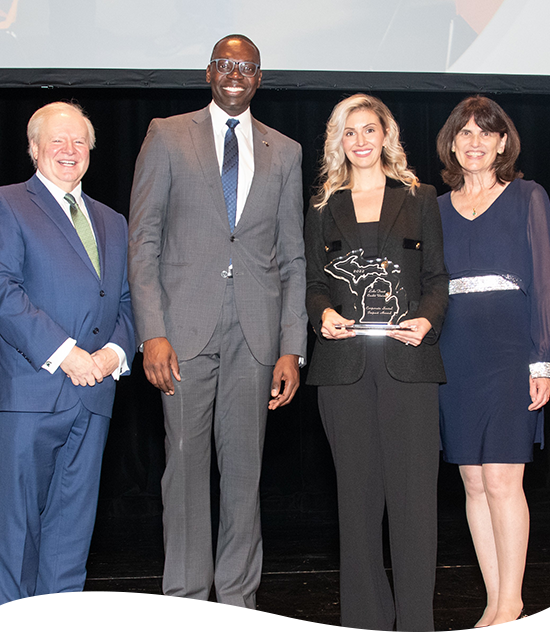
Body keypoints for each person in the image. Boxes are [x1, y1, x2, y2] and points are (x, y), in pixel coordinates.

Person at [128, 34, 307, 632]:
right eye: (226, 64)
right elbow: (144, 239)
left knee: (244, 473)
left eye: (247, 67)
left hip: (256, 336)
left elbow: (292, 259)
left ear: (260, 78)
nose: (236, 74)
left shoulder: (284, 151)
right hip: (182, 334)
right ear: (209, 72)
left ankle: (237, 606)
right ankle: (181, 607)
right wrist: (151, 331)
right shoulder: (166, 133)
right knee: (183, 467)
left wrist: (291, 347)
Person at [305, 93, 448, 632]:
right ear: (337, 142)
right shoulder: (322, 206)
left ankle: (416, 623)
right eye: (349, 132)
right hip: (343, 372)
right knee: (357, 509)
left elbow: (437, 280)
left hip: (409, 370)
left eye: (370, 129)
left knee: (415, 510)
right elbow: (314, 285)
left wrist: (428, 321)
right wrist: (321, 315)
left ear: (386, 135)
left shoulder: (420, 197)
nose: (361, 140)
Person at [0, 101, 135, 632]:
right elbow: (4, 290)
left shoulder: (113, 220)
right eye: (56, 140)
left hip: (96, 391)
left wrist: (113, 355)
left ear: (90, 151)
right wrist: (67, 354)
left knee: (74, 520)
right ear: (33, 149)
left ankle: (60, 619)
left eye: (78, 141)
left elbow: (126, 302)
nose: (68, 150)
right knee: (18, 522)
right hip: (31, 391)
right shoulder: (9, 204)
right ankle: (15, 622)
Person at [437, 95, 550, 632]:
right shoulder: (433, 208)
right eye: (465, 134)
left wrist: (542, 359)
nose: (475, 142)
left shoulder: (528, 196)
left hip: (510, 352)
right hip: (454, 352)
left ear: (503, 142)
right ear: (452, 144)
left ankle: (513, 603)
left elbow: (545, 284)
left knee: (504, 478)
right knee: (473, 483)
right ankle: (494, 602)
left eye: (486, 133)